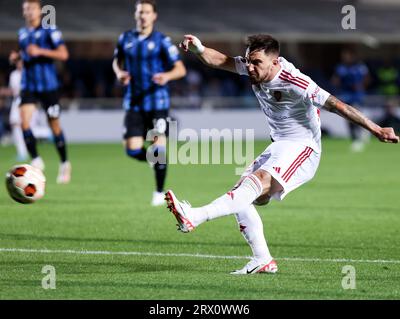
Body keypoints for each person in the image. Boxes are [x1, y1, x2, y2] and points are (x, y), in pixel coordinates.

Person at [165, 34, 399, 275]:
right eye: (248, 61)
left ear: (275, 62)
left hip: (303, 147)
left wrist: (377, 129)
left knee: (252, 186)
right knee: (244, 194)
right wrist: (198, 48)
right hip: (279, 145)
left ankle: (195, 216)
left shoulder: (295, 81)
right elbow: (220, 60)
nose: (249, 67)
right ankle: (262, 260)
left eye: (256, 63)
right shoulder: (253, 67)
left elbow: (338, 105)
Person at [112, 0, 186, 206]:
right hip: (133, 102)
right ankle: (156, 162)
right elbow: (116, 61)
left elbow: (180, 69)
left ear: (154, 16)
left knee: (158, 147)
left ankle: (159, 192)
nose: (143, 16)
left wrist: (167, 76)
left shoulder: (162, 41)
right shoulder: (125, 38)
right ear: (135, 15)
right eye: (139, 12)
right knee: (131, 150)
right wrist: (119, 73)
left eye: (146, 12)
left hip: (157, 103)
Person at [10, 0, 71, 183]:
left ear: (40, 11)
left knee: (55, 126)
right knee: (24, 123)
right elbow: (27, 55)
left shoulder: (50, 31)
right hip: (28, 85)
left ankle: (64, 163)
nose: (29, 12)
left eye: (33, 9)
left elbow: (63, 54)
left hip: (48, 87)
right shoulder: (22, 33)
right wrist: (18, 58)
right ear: (23, 12)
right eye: (26, 9)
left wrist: (41, 51)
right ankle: (36, 160)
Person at [332, 48, 371, 152]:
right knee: (347, 117)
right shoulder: (341, 67)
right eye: (344, 56)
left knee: (355, 114)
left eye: (347, 55)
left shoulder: (360, 67)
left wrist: (360, 86)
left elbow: (367, 79)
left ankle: (359, 137)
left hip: (357, 95)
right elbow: (335, 80)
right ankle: (356, 137)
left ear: (352, 56)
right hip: (346, 95)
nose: (345, 57)